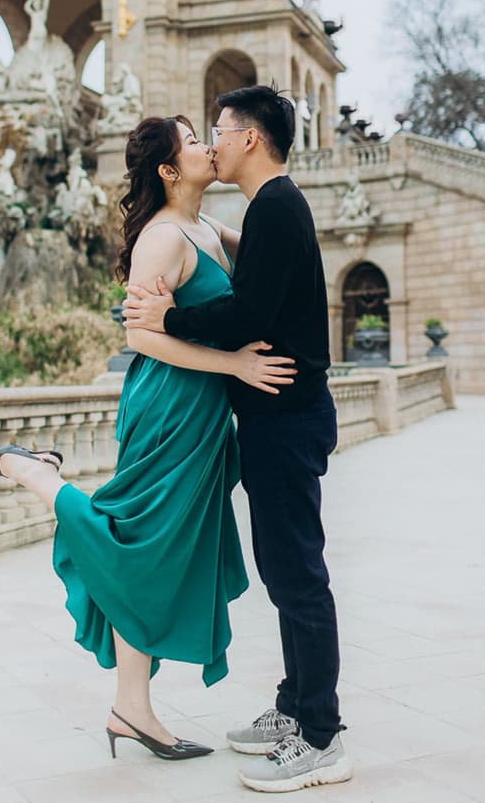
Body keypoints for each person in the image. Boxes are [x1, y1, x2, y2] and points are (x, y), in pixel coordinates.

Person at [0, 115, 295, 762]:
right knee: (141, 541)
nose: (209, 146)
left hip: (201, 412)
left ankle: (131, 708)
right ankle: (37, 475)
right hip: (169, 405)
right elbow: (139, 337)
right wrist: (234, 365)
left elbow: (269, 246)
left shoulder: (205, 228)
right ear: (170, 171)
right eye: (194, 142)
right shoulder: (162, 238)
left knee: (157, 553)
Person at [123, 84, 353, 792]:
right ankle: (293, 706)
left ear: (249, 138)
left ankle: (320, 735)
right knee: (287, 574)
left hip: (283, 418)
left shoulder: (278, 208)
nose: (213, 142)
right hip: (276, 418)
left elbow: (246, 310)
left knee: (296, 579)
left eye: (218, 130)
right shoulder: (270, 210)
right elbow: (246, 270)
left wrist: (168, 320)